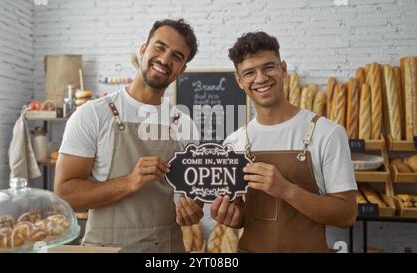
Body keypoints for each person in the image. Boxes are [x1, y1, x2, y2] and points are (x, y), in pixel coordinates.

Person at [54, 18, 203, 253]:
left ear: (182, 70)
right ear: (143, 49)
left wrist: (191, 210)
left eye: (177, 56)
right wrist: (129, 182)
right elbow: (64, 195)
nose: (165, 60)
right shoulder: (93, 114)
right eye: (160, 47)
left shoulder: (184, 124)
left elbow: (190, 196)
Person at [210, 31, 357, 252]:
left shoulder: (328, 133)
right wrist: (231, 216)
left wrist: (286, 190)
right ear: (239, 81)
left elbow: (346, 215)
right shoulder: (234, 142)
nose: (260, 78)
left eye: (268, 67)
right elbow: (242, 216)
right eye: (249, 72)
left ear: (283, 69)